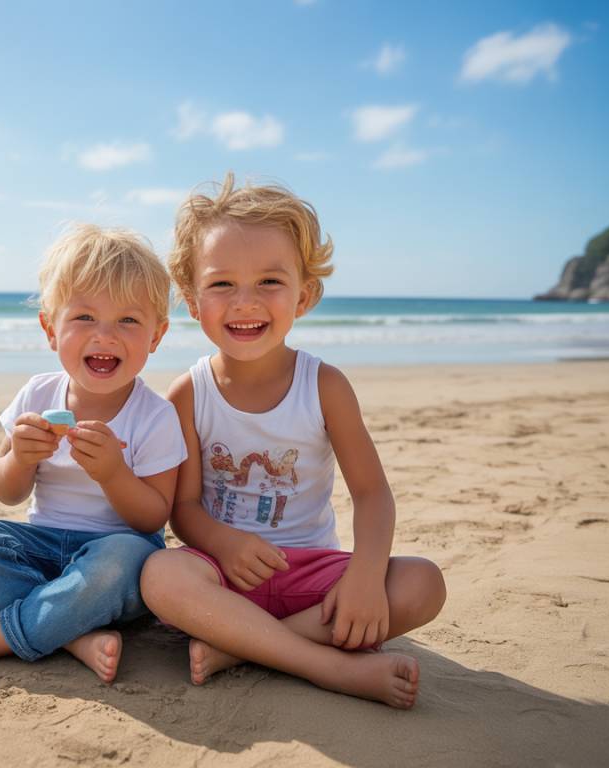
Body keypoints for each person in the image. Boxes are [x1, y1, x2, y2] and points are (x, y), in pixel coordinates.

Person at [139, 174, 447, 708]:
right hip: (224, 578)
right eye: (221, 284)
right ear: (191, 300)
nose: (245, 302)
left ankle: (241, 649)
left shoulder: (324, 386)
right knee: (160, 574)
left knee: (424, 583)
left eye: (269, 282)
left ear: (303, 295)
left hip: (311, 578)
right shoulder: (190, 392)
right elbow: (182, 509)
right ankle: (325, 665)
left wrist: (367, 578)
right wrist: (223, 543)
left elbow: (372, 494)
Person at [0, 224, 187, 682]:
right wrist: (19, 458)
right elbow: (6, 493)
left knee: (122, 557)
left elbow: (153, 520)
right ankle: (72, 633)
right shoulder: (38, 393)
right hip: (41, 549)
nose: (105, 336)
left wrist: (114, 474)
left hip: (112, 563)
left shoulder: (155, 416)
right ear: (49, 329)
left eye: (128, 321)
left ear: (155, 337)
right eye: (84, 318)